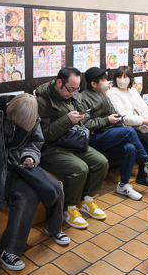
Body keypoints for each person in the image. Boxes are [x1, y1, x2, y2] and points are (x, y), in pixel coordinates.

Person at [0, 94, 69, 271]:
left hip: (22, 164)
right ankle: (6, 249)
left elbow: (35, 142)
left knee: (54, 186)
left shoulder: (31, 115)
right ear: (9, 108)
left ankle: (53, 228)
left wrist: (29, 157)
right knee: (27, 197)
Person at [36, 67, 109, 229]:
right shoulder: (43, 101)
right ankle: (69, 208)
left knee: (101, 162)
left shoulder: (72, 95)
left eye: (76, 89)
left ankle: (86, 200)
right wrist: (67, 120)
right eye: (71, 89)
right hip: (51, 148)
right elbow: (44, 136)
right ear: (59, 82)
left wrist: (82, 117)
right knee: (80, 169)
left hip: (73, 141)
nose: (73, 93)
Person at [81, 67, 148, 199]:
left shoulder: (102, 94)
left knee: (130, 148)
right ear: (93, 84)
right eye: (103, 80)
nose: (107, 82)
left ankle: (123, 185)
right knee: (129, 132)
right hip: (96, 137)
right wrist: (107, 120)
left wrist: (115, 120)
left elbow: (116, 114)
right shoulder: (83, 98)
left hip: (110, 131)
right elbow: (87, 124)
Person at [107, 65, 148, 180]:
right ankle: (142, 175)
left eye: (125, 77)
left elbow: (143, 108)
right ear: (115, 78)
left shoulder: (132, 90)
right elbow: (124, 118)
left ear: (131, 79)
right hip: (125, 128)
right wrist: (146, 121)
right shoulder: (112, 93)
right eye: (119, 76)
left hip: (139, 125)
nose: (122, 79)